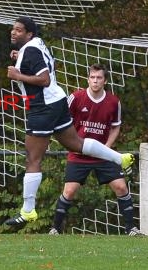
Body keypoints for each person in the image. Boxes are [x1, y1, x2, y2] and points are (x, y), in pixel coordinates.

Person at [4, 16, 135, 226]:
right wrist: (20, 58)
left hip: (43, 106)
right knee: (77, 144)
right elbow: (43, 62)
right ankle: (120, 159)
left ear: (29, 34)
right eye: (13, 29)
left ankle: (28, 211)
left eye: (19, 30)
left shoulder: (31, 49)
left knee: (32, 158)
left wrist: (18, 75)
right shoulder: (35, 45)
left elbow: (44, 79)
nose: (13, 32)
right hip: (56, 101)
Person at [49, 64, 143, 236]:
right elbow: (63, 122)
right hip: (79, 153)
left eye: (99, 78)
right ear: (88, 79)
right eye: (92, 77)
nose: (95, 81)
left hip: (103, 154)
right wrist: (71, 142)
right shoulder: (76, 97)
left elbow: (115, 127)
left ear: (105, 81)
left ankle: (132, 229)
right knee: (69, 191)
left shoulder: (114, 102)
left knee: (121, 187)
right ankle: (55, 229)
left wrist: (106, 148)